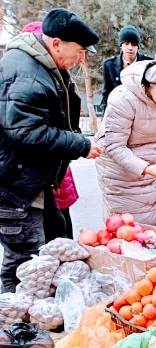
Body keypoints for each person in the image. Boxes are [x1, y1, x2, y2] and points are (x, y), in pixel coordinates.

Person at [0, 8, 102, 292]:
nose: (81, 58)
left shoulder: (44, 67)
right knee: (25, 263)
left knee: (46, 248)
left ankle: (28, 317)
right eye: (79, 50)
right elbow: (27, 131)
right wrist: (81, 144)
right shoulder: (25, 71)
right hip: (15, 185)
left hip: (33, 181)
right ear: (56, 43)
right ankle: (16, 326)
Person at [95, 49, 156, 225]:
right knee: (126, 227)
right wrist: (145, 168)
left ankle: (150, 251)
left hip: (147, 169)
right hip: (119, 171)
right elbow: (114, 146)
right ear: (150, 84)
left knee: (148, 219)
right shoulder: (123, 98)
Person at [21, 21, 80, 240]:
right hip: (38, 173)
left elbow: (69, 120)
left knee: (62, 231)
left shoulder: (61, 77)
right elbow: (32, 132)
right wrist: (78, 143)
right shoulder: (29, 78)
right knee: (43, 241)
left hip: (58, 166)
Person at [101, 25, 152, 112]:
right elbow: (107, 94)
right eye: (126, 44)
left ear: (138, 47)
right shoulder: (109, 65)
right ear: (121, 46)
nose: (130, 48)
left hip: (142, 113)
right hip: (119, 112)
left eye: (134, 44)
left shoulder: (148, 63)